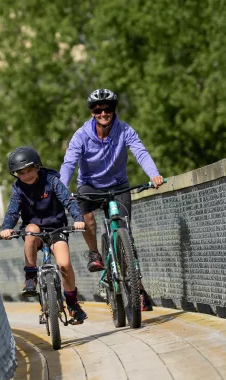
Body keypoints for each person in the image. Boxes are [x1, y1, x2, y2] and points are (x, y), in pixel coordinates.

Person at [60, 88, 164, 311]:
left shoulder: (125, 130)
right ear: (92, 113)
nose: (103, 113)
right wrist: (61, 188)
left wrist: (153, 174)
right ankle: (94, 252)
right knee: (86, 216)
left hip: (118, 185)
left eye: (107, 109)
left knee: (126, 234)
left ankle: (138, 288)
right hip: (91, 185)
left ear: (113, 110)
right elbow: (69, 163)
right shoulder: (81, 135)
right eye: (98, 110)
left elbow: (141, 152)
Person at [0, 146, 88, 323]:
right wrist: (7, 227)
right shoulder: (18, 189)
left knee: (64, 264)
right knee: (31, 230)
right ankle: (30, 276)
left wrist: (78, 218)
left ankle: (72, 303)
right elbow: (12, 212)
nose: (27, 175)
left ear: (38, 167)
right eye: (21, 173)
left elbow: (68, 200)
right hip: (35, 231)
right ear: (16, 175)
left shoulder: (52, 181)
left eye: (30, 170)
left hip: (56, 228)